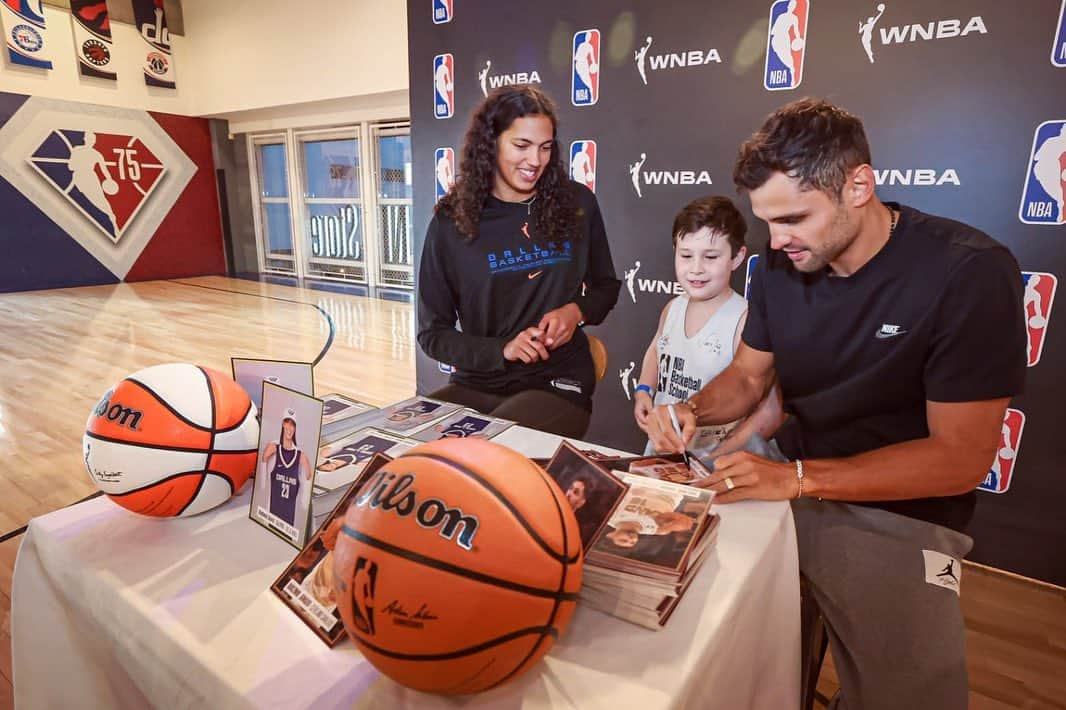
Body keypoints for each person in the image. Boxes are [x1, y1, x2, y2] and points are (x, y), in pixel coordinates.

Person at [646, 98, 1027, 710]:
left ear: (858, 186)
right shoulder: (777, 260)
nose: (777, 241)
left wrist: (797, 480)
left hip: (907, 512)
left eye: (794, 217)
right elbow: (746, 377)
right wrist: (692, 408)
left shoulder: (970, 273)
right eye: (767, 221)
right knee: (698, 633)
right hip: (788, 478)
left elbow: (961, 457)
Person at [417, 85, 621, 438]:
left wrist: (576, 312)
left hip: (557, 381)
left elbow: (606, 287)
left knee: (486, 457)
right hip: (477, 382)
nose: (535, 161)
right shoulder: (451, 222)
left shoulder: (578, 203)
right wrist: (503, 349)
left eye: (545, 147)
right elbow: (433, 335)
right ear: (491, 143)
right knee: (415, 454)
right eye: (521, 145)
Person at [632, 196, 783, 456]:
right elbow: (656, 350)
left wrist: (724, 454)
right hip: (662, 448)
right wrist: (644, 390)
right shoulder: (672, 308)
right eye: (686, 255)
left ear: (737, 258)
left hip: (714, 456)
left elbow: (757, 395)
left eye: (711, 257)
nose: (696, 268)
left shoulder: (744, 320)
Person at [261, 415, 313, 532]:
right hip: (272, 513)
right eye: (287, 424)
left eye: (292, 425)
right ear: (283, 425)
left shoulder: (300, 455)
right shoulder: (274, 448)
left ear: (295, 429)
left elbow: (308, 478)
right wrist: (262, 484)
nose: (289, 428)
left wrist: (305, 502)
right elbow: (263, 463)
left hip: (289, 519)